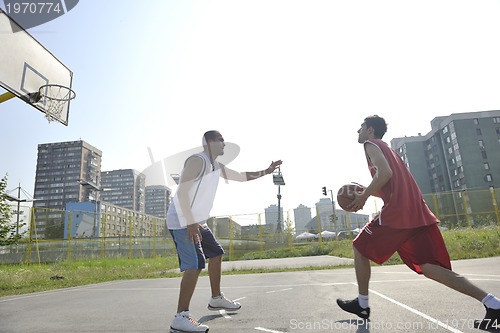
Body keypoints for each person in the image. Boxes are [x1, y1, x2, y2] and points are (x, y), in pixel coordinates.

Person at [336, 115, 500, 330]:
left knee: (359, 247)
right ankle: (493, 304)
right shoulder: (389, 149)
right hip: (416, 212)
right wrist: (366, 190)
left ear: (370, 131)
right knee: (430, 268)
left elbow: (385, 173)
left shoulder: (370, 145)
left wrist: (364, 195)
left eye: (361, 127)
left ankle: (362, 304)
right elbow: (391, 183)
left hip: (398, 214)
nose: (357, 130)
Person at [167, 130, 282, 333]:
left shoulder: (215, 166)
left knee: (217, 253)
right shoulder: (197, 160)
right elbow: (183, 191)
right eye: (221, 140)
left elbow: (241, 176)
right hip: (183, 221)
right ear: (209, 142)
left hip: (197, 221)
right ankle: (180, 317)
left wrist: (266, 170)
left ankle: (216, 298)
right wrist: (191, 222)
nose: (224, 144)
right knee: (195, 264)